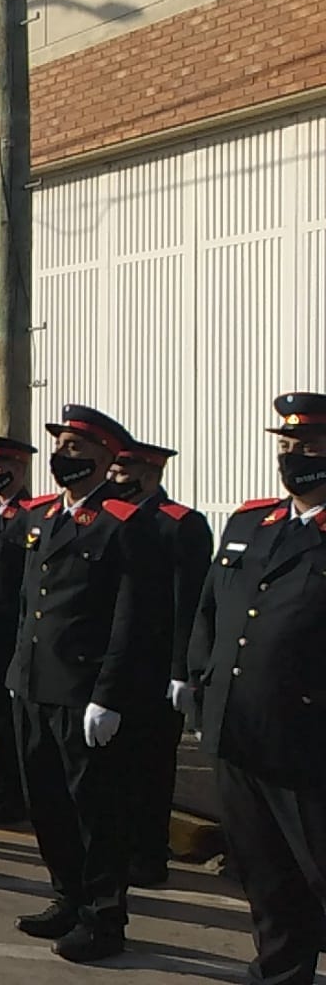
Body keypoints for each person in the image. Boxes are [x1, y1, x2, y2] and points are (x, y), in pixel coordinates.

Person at [6, 403, 165, 963]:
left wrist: (109, 695)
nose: (63, 456)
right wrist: (15, 668)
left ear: (105, 458)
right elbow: (27, 601)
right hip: (33, 682)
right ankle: (67, 897)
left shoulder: (126, 522)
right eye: (61, 446)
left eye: (77, 448)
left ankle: (103, 917)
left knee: (95, 810)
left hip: (84, 690)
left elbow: (134, 617)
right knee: (45, 802)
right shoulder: (42, 516)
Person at [188, 391, 326, 985]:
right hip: (237, 726)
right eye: (287, 447)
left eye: (310, 448)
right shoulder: (252, 522)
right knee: (263, 867)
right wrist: (199, 686)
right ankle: (280, 970)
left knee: (318, 867)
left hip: (308, 736)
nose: (293, 458)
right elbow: (212, 612)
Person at [107, 438, 212, 889]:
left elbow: (188, 603)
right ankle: (121, 847)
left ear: (149, 475)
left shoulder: (179, 524)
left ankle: (149, 856)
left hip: (155, 666)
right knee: (115, 766)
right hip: (115, 660)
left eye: (123, 472)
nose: (114, 479)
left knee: (150, 766)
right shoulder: (113, 520)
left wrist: (181, 670)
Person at [0, 434, 37, 824]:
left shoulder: (31, 514)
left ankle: (17, 794)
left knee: (14, 723)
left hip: (12, 630)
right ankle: (1, 783)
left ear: (18, 469)